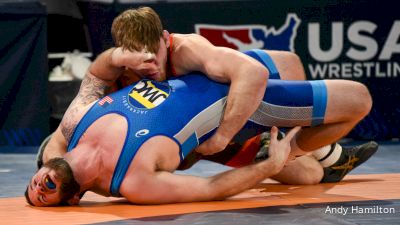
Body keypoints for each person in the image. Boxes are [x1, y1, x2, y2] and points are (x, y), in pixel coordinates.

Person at [37, 6, 378, 184]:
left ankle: (317, 151)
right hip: (205, 132)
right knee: (308, 177)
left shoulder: (185, 49)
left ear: (165, 38)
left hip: (237, 101)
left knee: (287, 68)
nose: (149, 67)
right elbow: (91, 87)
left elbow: (253, 73)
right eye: (138, 61)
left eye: (154, 57)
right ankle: (321, 157)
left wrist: (225, 136)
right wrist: (54, 164)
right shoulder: (120, 69)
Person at [27, 47, 373, 206]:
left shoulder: (74, 125)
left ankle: (316, 153)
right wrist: (272, 164)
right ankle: (309, 155)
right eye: (43, 197)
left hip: (205, 76)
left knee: (293, 63)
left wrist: (120, 57)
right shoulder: (134, 182)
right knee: (359, 100)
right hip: (239, 108)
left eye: (34, 186)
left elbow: (97, 72)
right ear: (72, 200)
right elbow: (209, 190)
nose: (39, 188)